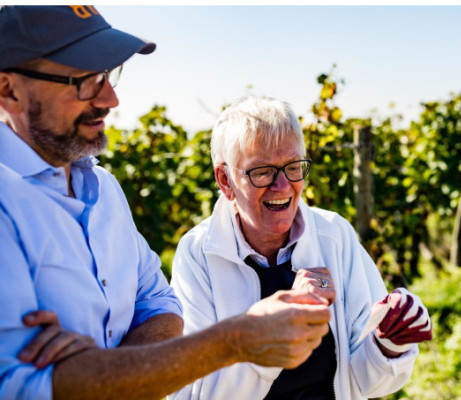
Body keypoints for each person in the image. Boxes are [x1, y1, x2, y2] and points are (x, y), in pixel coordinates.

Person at [0, 6, 331, 399]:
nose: (110, 98)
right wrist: (235, 340)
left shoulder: (103, 190)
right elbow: (20, 388)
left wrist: (100, 369)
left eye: (106, 75)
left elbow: (161, 306)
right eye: (83, 81)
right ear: (9, 91)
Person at [169, 96, 433, 400]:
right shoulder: (199, 254)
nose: (283, 186)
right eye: (262, 171)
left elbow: (365, 383)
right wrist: (270, 338)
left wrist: (389, 344)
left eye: (293, 167)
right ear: (225, 180)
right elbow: (190, 391)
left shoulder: (334, 235)